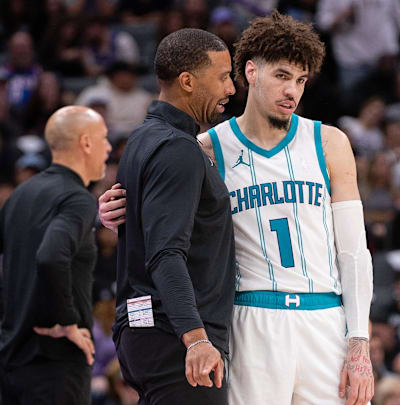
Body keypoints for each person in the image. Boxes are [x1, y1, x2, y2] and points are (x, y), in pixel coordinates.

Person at [100, 12, 374, 405]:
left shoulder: (329, 142)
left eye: (301, 80)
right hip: (250, 319)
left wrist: (359, 340)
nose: (292, 91)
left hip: (324, 316)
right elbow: (164, 217)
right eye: (282, 76)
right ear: (251, 72)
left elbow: (354, 250)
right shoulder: (205, 148)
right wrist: (113, 212)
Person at [110, 28, 237, 404]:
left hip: (147, 330)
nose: (230, 88)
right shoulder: (177, 149)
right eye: (223, 77)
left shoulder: (142, 139)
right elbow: (165, 253)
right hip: (175, 340)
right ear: (188, 81)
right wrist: (196, 338)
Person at [0, 105, 111, 404]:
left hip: (12, 358)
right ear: (86, 142)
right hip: (56, 365)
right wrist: (67, 321)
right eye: (103, 138)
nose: (108, 147)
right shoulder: (78, 198)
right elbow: (51, 256)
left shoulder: (19, 196)